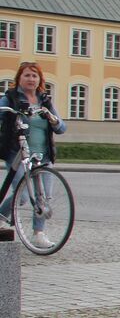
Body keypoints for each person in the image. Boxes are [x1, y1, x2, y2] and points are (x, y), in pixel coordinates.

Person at [0, 62, 68, 248]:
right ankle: (1, 215)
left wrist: (51, 117)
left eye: (34, 76)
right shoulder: (10, 98)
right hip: (17, 152)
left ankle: (38, 234)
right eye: (27, 75)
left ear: (39, 80)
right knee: (21, 196)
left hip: (42, 155)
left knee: (43, 197)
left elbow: (61, 128)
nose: (31, 79)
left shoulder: (45, 100)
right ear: (19, 78)